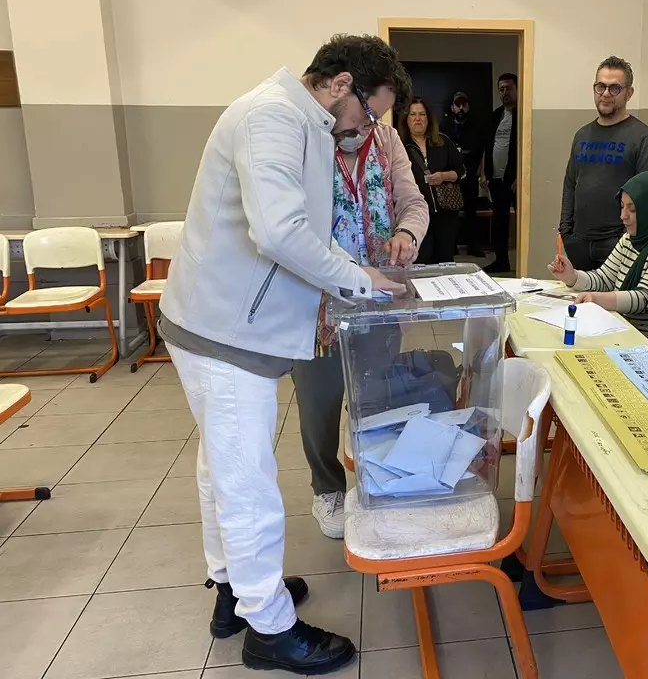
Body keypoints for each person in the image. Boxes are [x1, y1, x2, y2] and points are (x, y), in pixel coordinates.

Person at [158, 34, 411, 675]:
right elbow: (278, 230)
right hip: (227, 332)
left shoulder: (293, 117)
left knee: (220, 467)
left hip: (217, 322)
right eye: (368, 112)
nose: (367, 127)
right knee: (247, 484)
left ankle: (234, 595)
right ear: (340, 84)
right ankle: (269, 630)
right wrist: (358, 279)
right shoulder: (273, 115)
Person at [292, 121, 428, 540]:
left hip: (379, 299)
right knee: (319, 403)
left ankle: (380, 482)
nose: (359, 130)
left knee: (378, 396)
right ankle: (327, 489)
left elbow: (413, 202)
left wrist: (406, 232)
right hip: (316, 305)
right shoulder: (305, 140)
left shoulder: (387, 141)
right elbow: (293, 225)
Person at [548, 170, 648, 340]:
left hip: (647, 342)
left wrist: (598, 299)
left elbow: (645, 298)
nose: (623, 216)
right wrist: (572, 276)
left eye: (633, 210)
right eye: (621, 207)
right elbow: (605, 279)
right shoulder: (633, 236)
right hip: (620, 332)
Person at [559, 56, 648, 271]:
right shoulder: (582, 134)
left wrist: (630, 240)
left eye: (615, 88)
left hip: (619, 244)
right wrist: (566, 232)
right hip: (579, 242)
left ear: (629, 93)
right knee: (580, 301)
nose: (605, 94)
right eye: (601, 86)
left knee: (614, 304)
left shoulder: (642, 137)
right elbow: (570, 184)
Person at [400, 98, 465, 264]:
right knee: (422, 259)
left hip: (446, 212)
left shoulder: (442, 142)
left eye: (422, 114)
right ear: (406, 119)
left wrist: (443, 176)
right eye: (413, 114)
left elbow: (461, 171)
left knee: (446, 259)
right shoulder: (399, 146)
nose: (418, 118)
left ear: (428, 118)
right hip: (417, 214)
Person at [440, 91, 487, 257]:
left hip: (471, 174)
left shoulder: (477, 126)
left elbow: (482, 149)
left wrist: (482, 171)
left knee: (471, 212)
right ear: (452, 107)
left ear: (468, 106)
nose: (460, 108)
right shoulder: (444, 127)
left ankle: (473, 246)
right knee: (450, 212)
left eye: (463, 105)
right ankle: (450, 247)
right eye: (457, 105)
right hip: (451, 177)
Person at [481, 72, 518, 274]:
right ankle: (501, 261)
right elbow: (489, 145)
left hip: (514, 179)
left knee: (520, 222)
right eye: (501, 89)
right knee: (499, 223)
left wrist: (520, 176)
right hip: (495, 179)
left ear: (517, 89)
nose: (505, 92)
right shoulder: (496, 116)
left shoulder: (522, 116)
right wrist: (484, 173)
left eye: (508, 88)